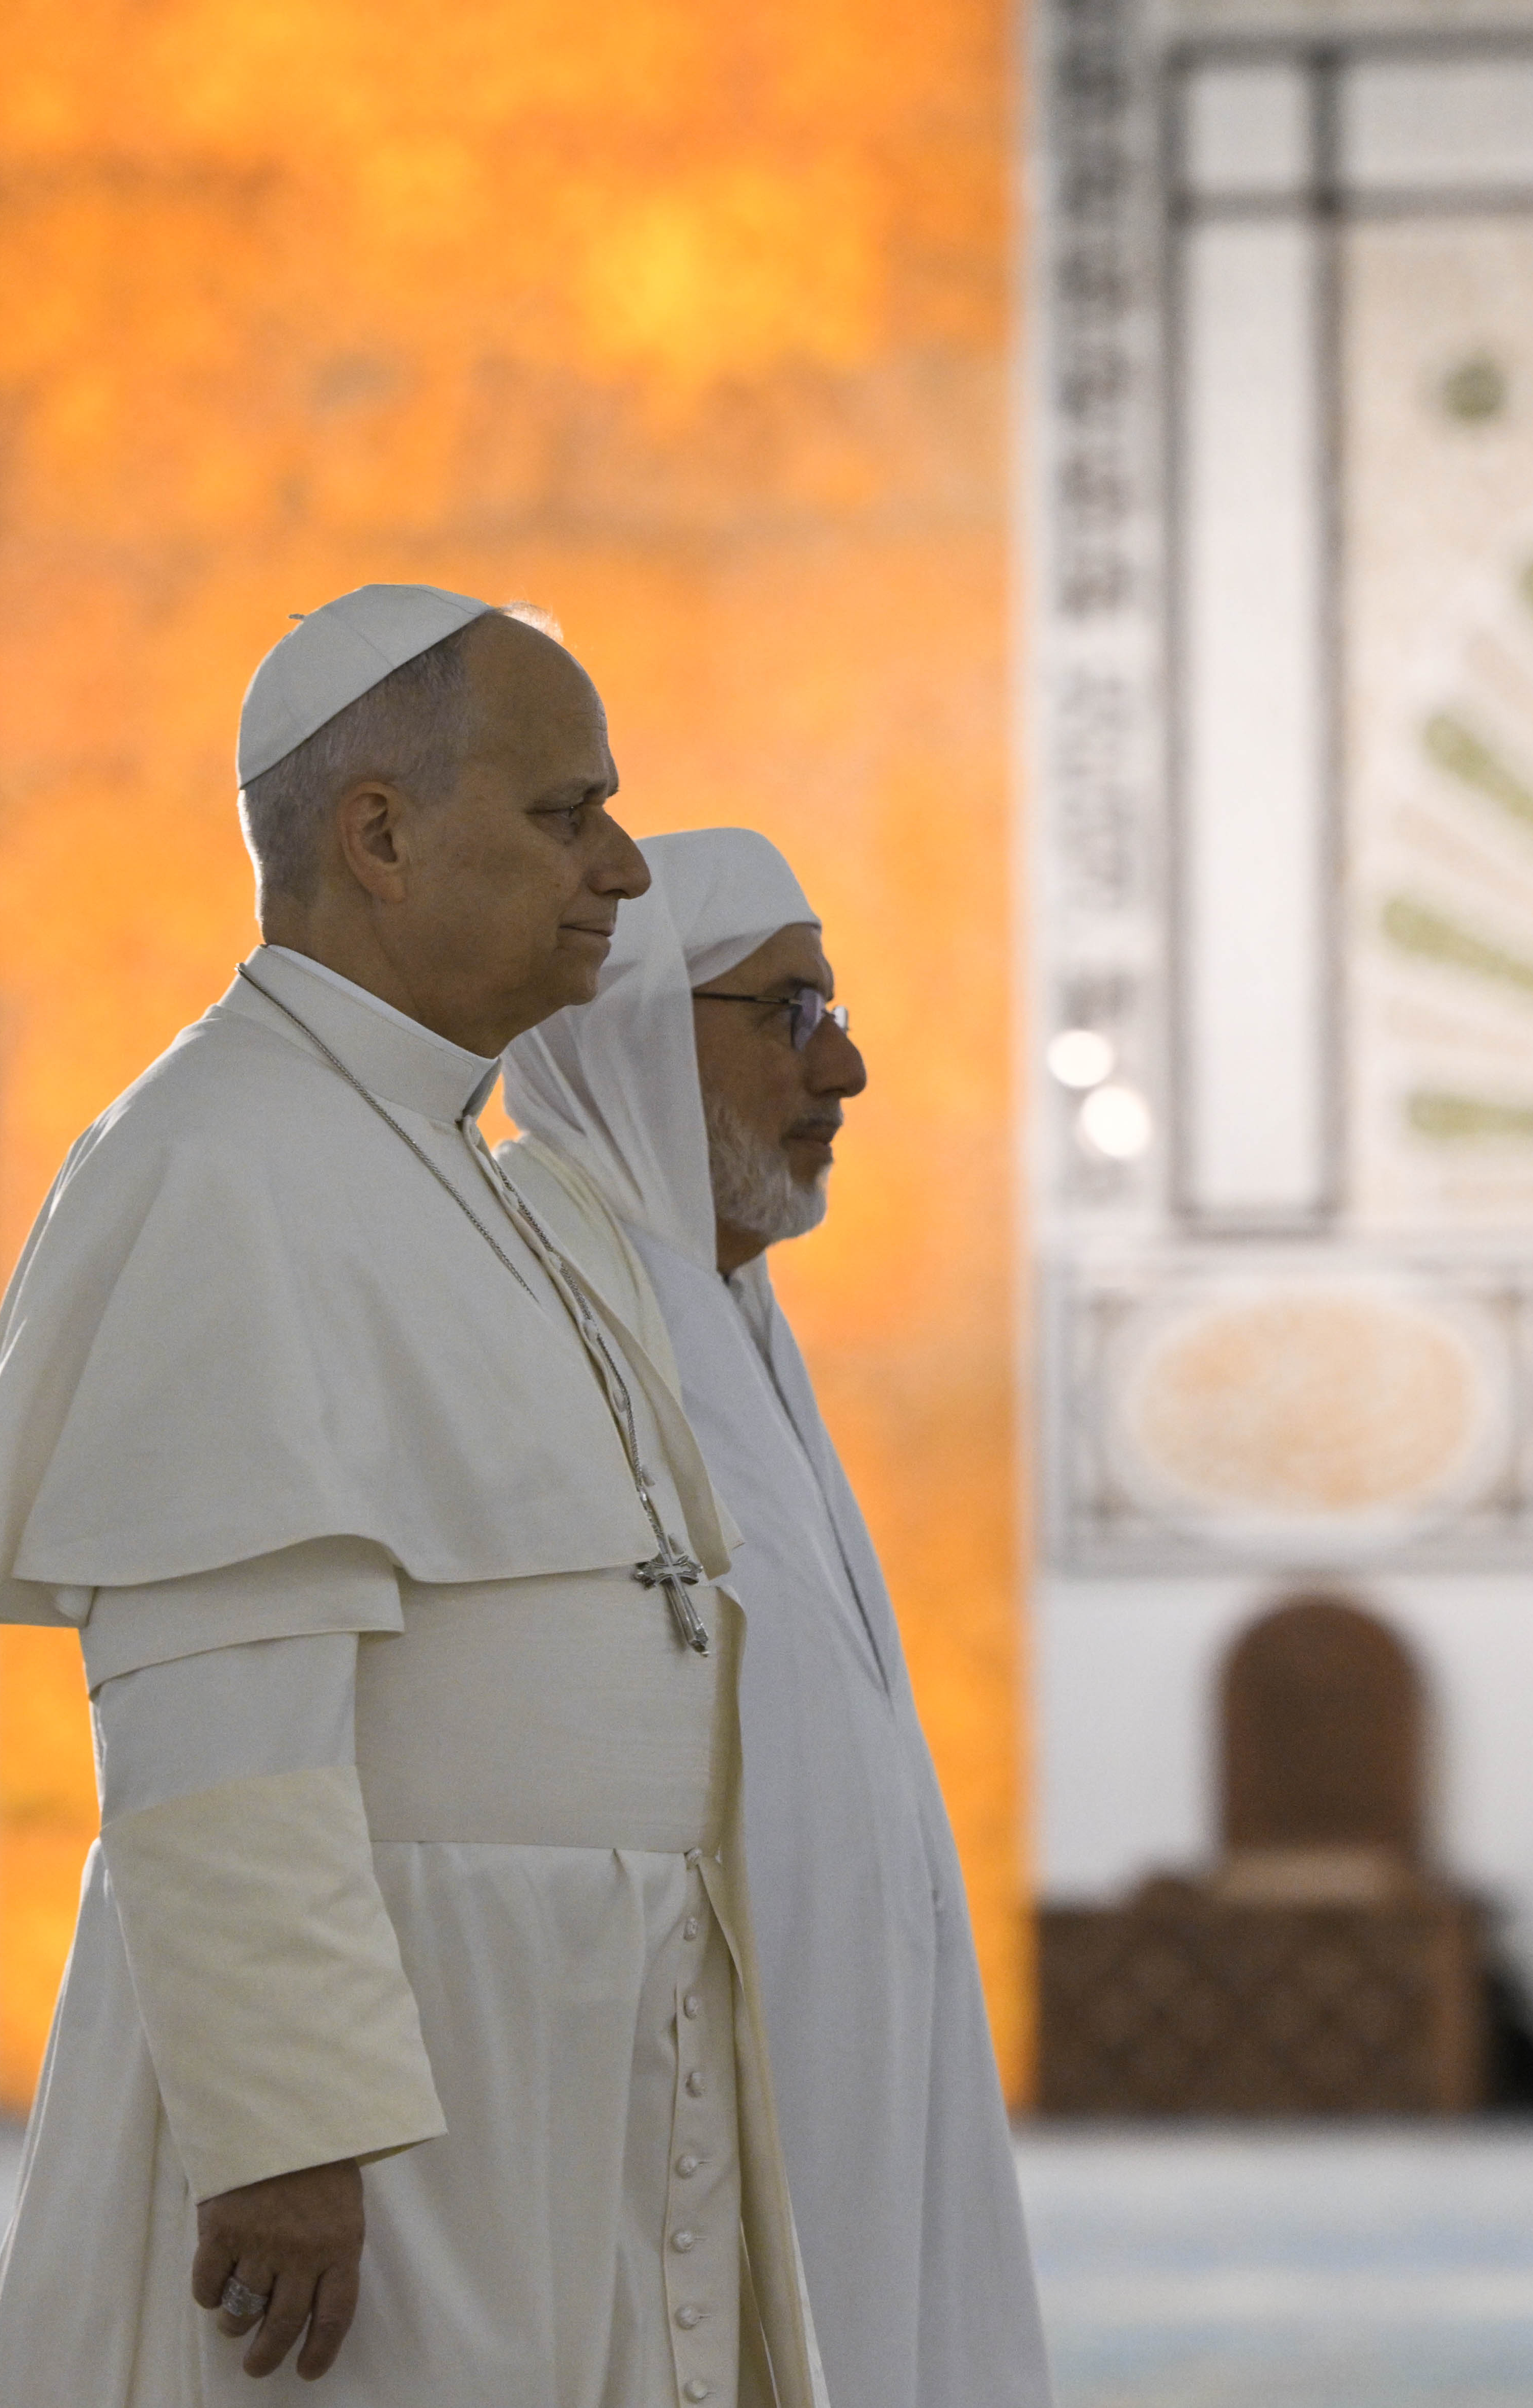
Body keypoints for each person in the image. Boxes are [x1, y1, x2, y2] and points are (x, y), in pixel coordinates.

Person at [0, 587, 824, 2405]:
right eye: (568, 813)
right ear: (382, 834)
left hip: (555, 2018)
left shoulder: (457, 1156)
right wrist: (285, 2121)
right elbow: (216, 1703)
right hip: (402, 2051)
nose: (626, 868)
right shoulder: (222, 1163)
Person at [498, 830, 1053, 2408]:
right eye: (789, 1010)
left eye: (835, 1006)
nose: (849, 1066)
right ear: (630, 1033)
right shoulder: (532, 1309)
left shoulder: (729, 1319)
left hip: (829, 2052)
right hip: (638, 2098)